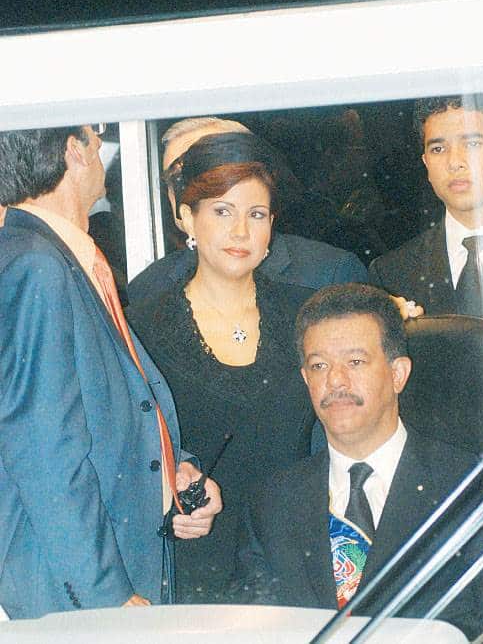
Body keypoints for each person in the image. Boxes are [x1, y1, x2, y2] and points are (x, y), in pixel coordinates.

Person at [0, 126, 220, 620]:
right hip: (74, 597)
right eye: (96, 142)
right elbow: (43, 450)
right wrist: (105, 598)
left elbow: (102, 411)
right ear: (72, 152)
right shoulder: (36, 264)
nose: (103, 153)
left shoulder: (57, 259)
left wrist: (172, 468)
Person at [235, 283, 483, 641]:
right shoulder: (272, 502)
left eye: (355, 362)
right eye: (319, 365)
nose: (335, 381)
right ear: (306, 378)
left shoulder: (474, 488)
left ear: (398, 374)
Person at [126, 130, 317, 603]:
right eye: (221, 211)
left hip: (295, 566)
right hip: (194, 567)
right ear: (186, 218)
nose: (240, 233)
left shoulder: (308, 317)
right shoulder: (142, 327)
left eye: (256, 214)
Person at [369, 95, 483, 412]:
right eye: (438, 148)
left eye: (472, 144)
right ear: (425, 164)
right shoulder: (393, 273)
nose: (454, 161)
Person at [127, 116, 367, 305]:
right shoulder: (150, 286)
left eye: (211, 169)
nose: (188, 186)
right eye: (176, 177)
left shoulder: (327, 274)